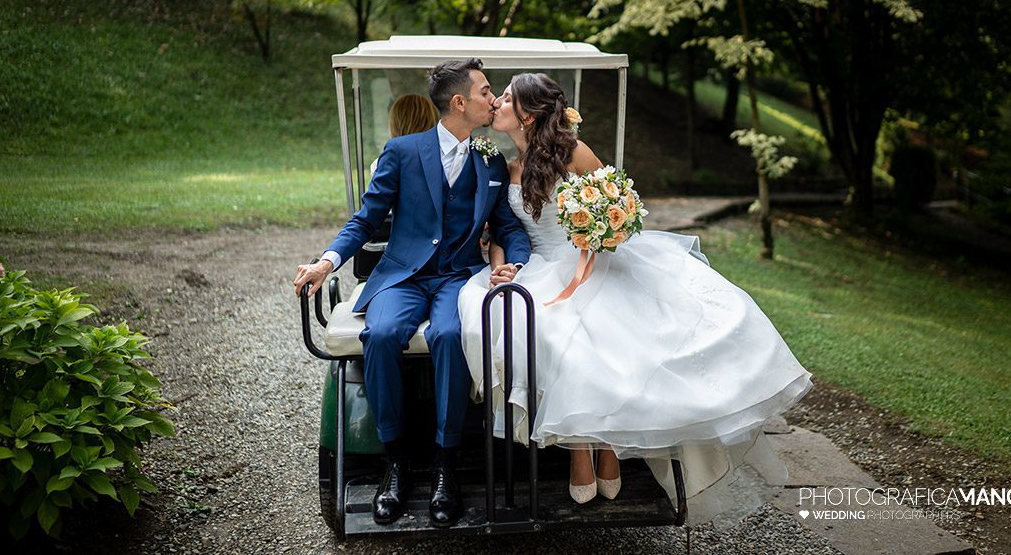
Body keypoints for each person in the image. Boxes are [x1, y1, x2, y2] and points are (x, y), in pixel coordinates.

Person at [457, 73, 813, 526]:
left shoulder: (574, 153)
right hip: (544, 268)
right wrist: (497, 259)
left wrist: (601, 231)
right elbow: (506, 230)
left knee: (606, 333)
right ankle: (584, 448)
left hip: (595, 259)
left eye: (505, 98)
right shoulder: (506, 168)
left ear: (526, 113)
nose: (497, 104)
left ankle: (607, 445)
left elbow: (617, 203)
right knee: (548, 329)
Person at [293, 58, 531, 528]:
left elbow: (508, 227)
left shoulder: (491, 160)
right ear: (459, 102)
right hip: (401, 276)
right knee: (380, 334)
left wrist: (515, 265)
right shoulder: (402, 151)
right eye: (486, 91)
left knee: (450, 334)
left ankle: (446, 465)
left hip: (458, 277)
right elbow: (365, 219)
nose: (494, 98)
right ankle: (395, 463)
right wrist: (326, 261)